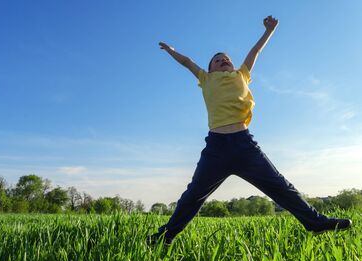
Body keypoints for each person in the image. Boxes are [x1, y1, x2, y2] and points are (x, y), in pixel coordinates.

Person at [149, 16, 352, 245]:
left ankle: (315, 222)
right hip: (216, 147)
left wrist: (269, 31)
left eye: (226, 58)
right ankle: (163, 237)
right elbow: (187, 62)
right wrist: (171, 50)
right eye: (217, 60)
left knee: (280, 186)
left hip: (245, 145)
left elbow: (255, 51)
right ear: (209, 69)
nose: (223, 60)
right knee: (193, 195)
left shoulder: (241, 75)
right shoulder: (206, 79)